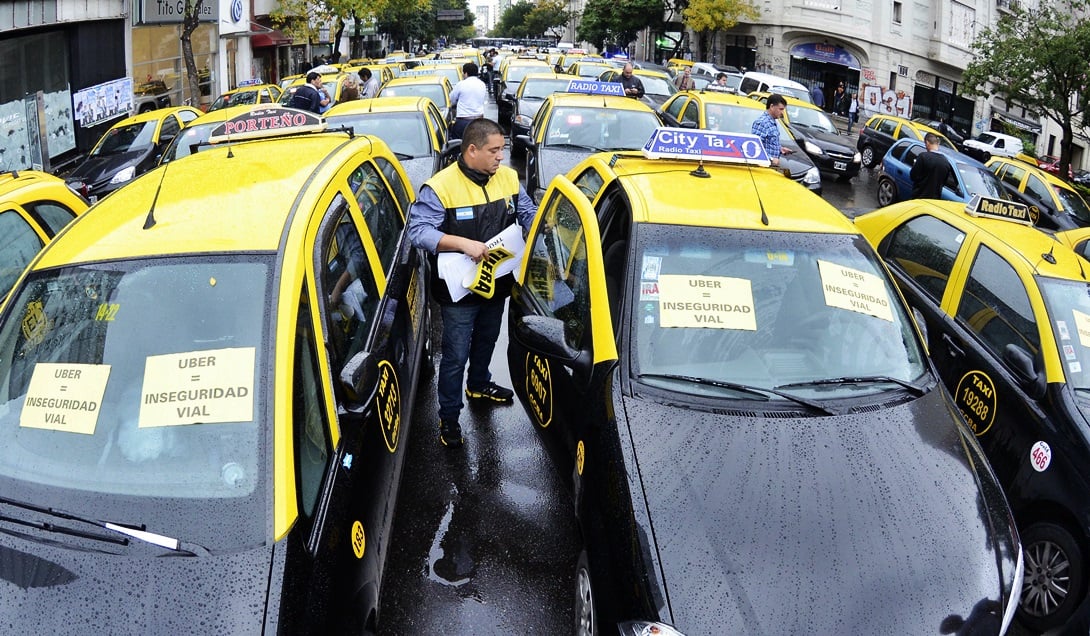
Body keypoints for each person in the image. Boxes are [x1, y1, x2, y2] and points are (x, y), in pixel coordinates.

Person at [406, 118, 538, 448]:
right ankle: (449, 417)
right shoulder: (439, 187)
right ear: (472, 150)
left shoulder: (508, 177)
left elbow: (527, 212)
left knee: (487, 339)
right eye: (494, 151)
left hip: (496, 282)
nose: (500, 157)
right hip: (459, 293)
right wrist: (462, 244)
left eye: (502, 150)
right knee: (454, 355)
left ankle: (479, 383)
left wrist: (542, 224)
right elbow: (418, 231)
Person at [750, 93, 793, 167]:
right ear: (772, 106)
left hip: (771, 166)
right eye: (781, 109)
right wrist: (771, 159)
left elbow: (768, 143)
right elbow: (755, 147)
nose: (782, 112)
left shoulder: (773, 122)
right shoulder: (762, 122)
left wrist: (780, 149)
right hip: (763, 167)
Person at [449, 62, 489, 139]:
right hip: (479, 120)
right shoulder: (482, 84)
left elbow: (452, 99)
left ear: (466, 73)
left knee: (459, 145)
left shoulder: (461, 84)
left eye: (463, 73)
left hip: (463, 121)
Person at [909, 133, 953, 199]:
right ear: (937, 144)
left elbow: (913, 176)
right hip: (934, 201)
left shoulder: (923, 157)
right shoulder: (946, 162)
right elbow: (943, 182)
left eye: (925, 144)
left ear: (927, 142)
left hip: (919, 197)